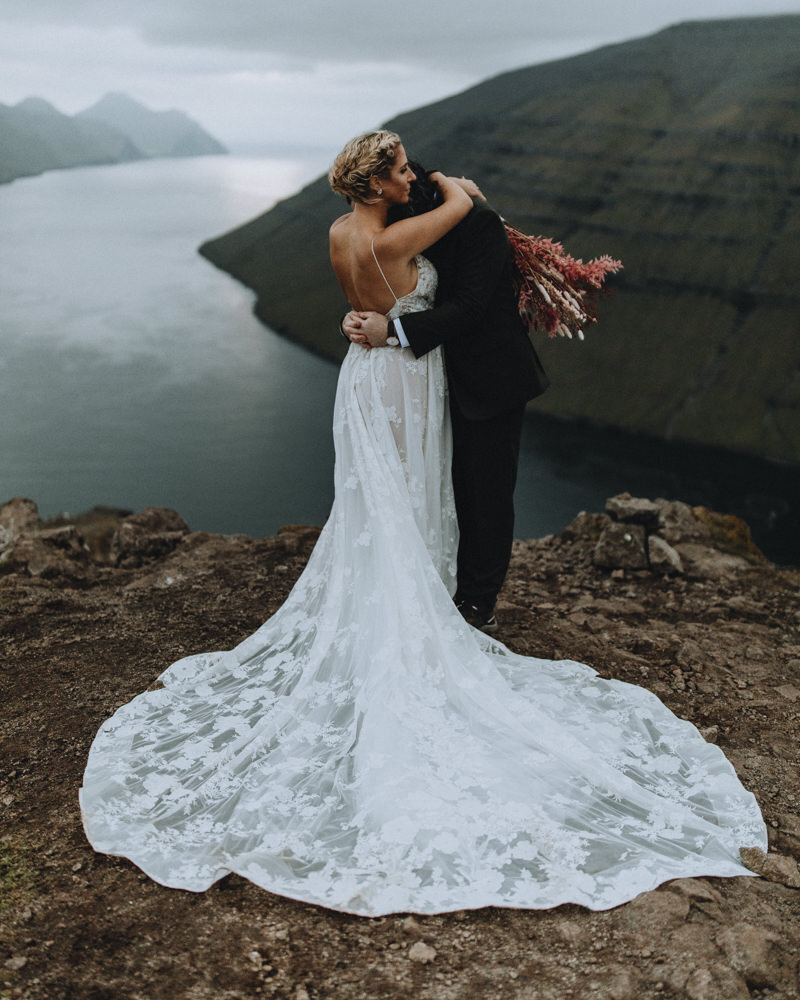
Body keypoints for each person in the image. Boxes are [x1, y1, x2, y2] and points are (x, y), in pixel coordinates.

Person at [80, 129, 766, 918]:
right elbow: (451, 252)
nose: (413, 173)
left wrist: (382, 316)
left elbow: (446, 293)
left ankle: (444, 601)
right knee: (409, 495)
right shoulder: (424, 220)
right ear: (375, 184)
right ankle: (438, 616)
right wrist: (460, 200)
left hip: (375, 375)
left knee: (394, 499)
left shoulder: (343, 229)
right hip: (404, 376)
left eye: (409, 166)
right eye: (398, 168)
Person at [342, 157, 549, 633]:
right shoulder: (404, 224)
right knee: (440, 486)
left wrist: (391, 331)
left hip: (490, 378)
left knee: (486, 493)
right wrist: (353, 320)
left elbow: (472, 308)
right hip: (432, 378)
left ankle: (478, 603)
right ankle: (437, 585)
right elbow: (385, 288)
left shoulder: (479, 225)